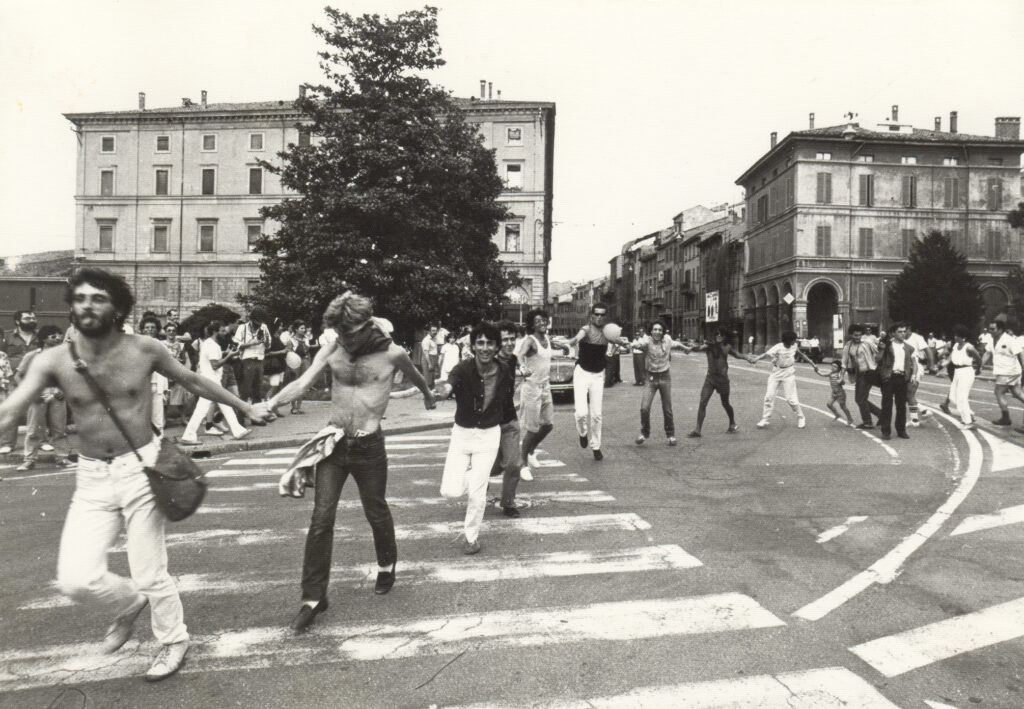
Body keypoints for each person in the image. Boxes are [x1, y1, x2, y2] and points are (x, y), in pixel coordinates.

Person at [0, 268, 269, 681]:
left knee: (149, 570)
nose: (87, 305)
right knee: (76, 580)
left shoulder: (145, 349)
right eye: (81, 298)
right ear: (71, 305)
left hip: (142, 468)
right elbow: (13, 406)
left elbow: (195, 380)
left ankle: (173, 640)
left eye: (98, 298)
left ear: (118, 307)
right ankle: (131, 601)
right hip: (91, 478)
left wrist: (246, 407)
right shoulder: (54, 359)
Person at [259, 292, 433, 632]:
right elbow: (303, 382)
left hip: (369, 446)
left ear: (367, 324)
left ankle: (386, 565)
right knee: (321, 518)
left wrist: (427, 396)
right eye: (339, 332)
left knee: (375, 510)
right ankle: (312, 598)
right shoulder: (333, 349)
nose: (344, 338)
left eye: (350, 331)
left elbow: (417, 377)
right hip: (334, 443)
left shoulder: (392, 354)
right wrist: (272, 404)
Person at [434, 321, 513, 554]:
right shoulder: (462, 368)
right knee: (450, 490)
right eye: (480, 343)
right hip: (462, 434)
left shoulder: (505, 371)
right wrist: (443, 391)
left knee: (478, 495)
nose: (485, 348)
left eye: (490, 343)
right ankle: (474, 476)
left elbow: (506, 403)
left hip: (489, 435)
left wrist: (508, 437)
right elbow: (448, 386)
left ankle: (471, 537)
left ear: (497, 347)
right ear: (473, 346)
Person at [553, 304, 627, 461]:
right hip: (582, 373)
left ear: (605, 317)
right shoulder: (585, 330)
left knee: (597, 415)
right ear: (591, 316)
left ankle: (596, 446)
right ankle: (582, 432)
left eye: (602, 315)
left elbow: (619, 344)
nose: (599, 317)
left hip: (598, 375)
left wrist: (626, 344)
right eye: (596, 314)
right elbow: (575, 340)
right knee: (581, 413)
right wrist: (563, 344)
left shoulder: (608, 332)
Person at [516, 308, 569, 480]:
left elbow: (557, 349)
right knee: (531, 429)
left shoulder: (546, 338)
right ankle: (522, 464)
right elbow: (520, 355)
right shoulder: (530, 340)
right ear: (532, 324)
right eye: (537, 321)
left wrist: (565, 348)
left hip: (545, 386)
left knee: (548, 424)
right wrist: (522, 366)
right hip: (531, 387)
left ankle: (531, 451)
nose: (542, 323)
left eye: (544, 320)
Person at [179, 321, 250, 444]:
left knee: (224, 405)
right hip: (211, 382)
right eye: (222, 331)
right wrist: (229, 356)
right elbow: (215, 365)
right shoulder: (212, 345)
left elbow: (213, 358)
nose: (225, 333)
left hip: (211, 381)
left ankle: (238, 430)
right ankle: (188, 435)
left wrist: (226, 353)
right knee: (202, 409)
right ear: (214, 332)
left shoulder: (209, 344)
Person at [15, 325, 75, 471]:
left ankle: (62, 458)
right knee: (34, 429)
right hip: (39, 395)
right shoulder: (32, 356)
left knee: (59, 429)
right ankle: (29, 459)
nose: (58, 339)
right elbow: (18, 376)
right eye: (53, 336)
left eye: (59, 335)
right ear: (43, 339)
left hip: (57, 395)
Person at [487, 321, 525, 516]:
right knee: (488, 467)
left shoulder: (512, 360)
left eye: (513, 339)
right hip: (489, 424)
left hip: (509, 419)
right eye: (506, 340)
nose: (510, 343)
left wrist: (523, 369)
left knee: (513, 464)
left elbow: (518, 361)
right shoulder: (488, 363)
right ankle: (478, 494)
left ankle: (508, 502)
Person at [681, 326, 745, 437]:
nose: (719, 336)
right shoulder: (709, 346)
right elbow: (699, 348)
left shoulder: (727, 347)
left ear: (725, 336)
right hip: (710, 379)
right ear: (714, 335)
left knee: (725, 403)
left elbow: (737, 355)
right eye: (717, 334)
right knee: (703, 402)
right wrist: (689, 349)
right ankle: (697, 430)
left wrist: (748, 358)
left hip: (723, 380)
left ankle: (732, 423)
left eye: (721, 334)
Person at [631, 320, 686, 446]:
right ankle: (644, 432)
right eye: (655, 329)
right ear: (651, 331)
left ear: (663, 332)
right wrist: (630, 344)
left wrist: (686, 348)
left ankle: (671, 435)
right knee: (644, 408)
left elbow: (676, 343)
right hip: (650, 378)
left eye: (660, 330)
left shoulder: (667, 339)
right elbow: (638, 344)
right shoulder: (647, 341)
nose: (657, 332)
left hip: (665, 377)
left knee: (667, 409)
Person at [748, 330, 814, 429]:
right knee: (769, 397)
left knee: (790, 399)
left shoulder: (794, 346)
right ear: (788, 340)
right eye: (793, 340)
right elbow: (766, 354)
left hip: (788, 373)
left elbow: (801, 355)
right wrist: (756, 359)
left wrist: (812, 363)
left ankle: (801, 417)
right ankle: (765, 419)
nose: (794, 342)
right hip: (776, 373)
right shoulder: (778, 347)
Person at [0, 310, 39, 454]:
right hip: (13, 379)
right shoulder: (8, 336)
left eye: (33, 317)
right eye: (28, 318)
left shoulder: (39, 336)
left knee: (37, 410)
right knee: (11, 410)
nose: (32, 320)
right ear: (18, 321)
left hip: (36, 379)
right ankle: (7, 443)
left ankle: (39, 442)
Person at [875, 322, 918, 440]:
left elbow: (914, 363)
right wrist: (882, 349)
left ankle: (901, 430)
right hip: (889, 377)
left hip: (902, 377)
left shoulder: (909, 347)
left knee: (901, 405)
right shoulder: (887, 345)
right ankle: (886, 431)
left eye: (904, 331)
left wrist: (913, 375)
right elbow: (877, 359)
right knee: (886, 404)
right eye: (900, 331)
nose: (903, 334)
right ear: (893, 333)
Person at [981, 320, 1024, 427]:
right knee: (1017, 393)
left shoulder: (1009, 340)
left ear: (1000, 330)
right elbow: (987, 353)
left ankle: (1006, 418)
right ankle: (1005, 418)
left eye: (993, 329)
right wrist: (980, 365)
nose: (990, 331)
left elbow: (1019, 353)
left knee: (998, 392)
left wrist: (1023, 366)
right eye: (989, 329)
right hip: (1006, 371)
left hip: (1008, 371)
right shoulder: (992, 340)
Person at [233, 308, 272, 424]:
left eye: (261, 322)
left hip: (259, 359)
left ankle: (256, 418)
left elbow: (269, 344)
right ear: (252, 320)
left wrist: (265, 341)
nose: (259, 325)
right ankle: (240, 419)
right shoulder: (242, 328)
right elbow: (236, 344)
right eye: (257, 322)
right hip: (247, 360)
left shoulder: (264, 328)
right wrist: (251, 343)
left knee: (257, 391)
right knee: (245, 391)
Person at [841, 324, 883, 429]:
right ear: (850, 335)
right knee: (860, 399)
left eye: (859, 335)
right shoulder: (848, 346)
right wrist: (841, 376)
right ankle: (881, 414)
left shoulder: (867, 343)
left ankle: (868, 422)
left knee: (860, 399)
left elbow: (879, 352)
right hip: (858, 374)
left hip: (868, 373)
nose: (857, 337)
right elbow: (844, 362)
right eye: (855, 335)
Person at [941, 324, 982, 429]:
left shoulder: (969, 347)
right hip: (957, 372)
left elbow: (978, 358)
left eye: (957, 335)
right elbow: (951, 357)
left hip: (966, 372)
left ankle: (968, 422)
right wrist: (944, 363)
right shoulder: (955, 346)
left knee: (962, 398)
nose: (955, 337)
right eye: (955, 335)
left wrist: (978, 369)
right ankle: (969, 413)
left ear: (963, 336)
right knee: (952, 396)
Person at [281, 320, 313, 414]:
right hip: (295, 363)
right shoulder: (291, 340)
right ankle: (294, 407)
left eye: (304, 328)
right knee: (295, 383)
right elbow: (289, 353)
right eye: (301, 328)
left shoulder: (306, 339)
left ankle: (299, 407)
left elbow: (308, 351)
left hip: (305, 362)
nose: (304, 330)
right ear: (296, 329)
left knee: (303, 384)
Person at [903, 327, 932, 427]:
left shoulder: (917, 338)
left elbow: (928, 351)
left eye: (905, 330)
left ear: (909, 329)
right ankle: (915, 420)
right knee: (908, 395)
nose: (903, 333)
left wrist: (931, 365)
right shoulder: (901, 338)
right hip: (906, 368)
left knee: (909, 394)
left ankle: (923, 410)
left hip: (916, 367)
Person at [814, 360, 854, 425]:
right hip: (834, 393)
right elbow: (823, 374)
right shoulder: (831, 373)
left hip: (840, 393)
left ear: (838, 368)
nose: (833, 367)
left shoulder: (839, 374)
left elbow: (843, 383)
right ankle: (837, 414)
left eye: (835, 366)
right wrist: (817, 371)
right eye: (832, 366)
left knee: (843, 406)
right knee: (829, 404)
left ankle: (850, 419)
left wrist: (841, 380)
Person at [420, 325, 439, 392]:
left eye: (436, 330)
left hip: (433, 358)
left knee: (432, 377)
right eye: (433, 330)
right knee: (427, 377)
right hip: (428, 359)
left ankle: (431, 394)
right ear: (429, 331)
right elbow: (426, 353)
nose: (435, 332)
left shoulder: (434, 339)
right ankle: (426, 395)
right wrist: (429, 363)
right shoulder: (426, 340)